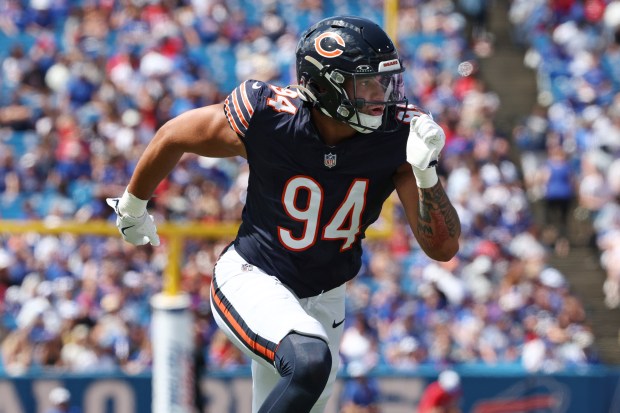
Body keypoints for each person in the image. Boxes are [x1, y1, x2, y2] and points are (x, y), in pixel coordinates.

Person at [107, 15, 461, 413]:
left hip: (327, 298)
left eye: (385, 80)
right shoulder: (269, 116)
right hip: (253, 276)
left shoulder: (398, 137)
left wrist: (426, 173)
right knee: (309, 362)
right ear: (326, 86)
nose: (382, 94)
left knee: (305, 375)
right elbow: (174, 135)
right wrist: (132, 206)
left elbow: (443, 248)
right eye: (366, 83)